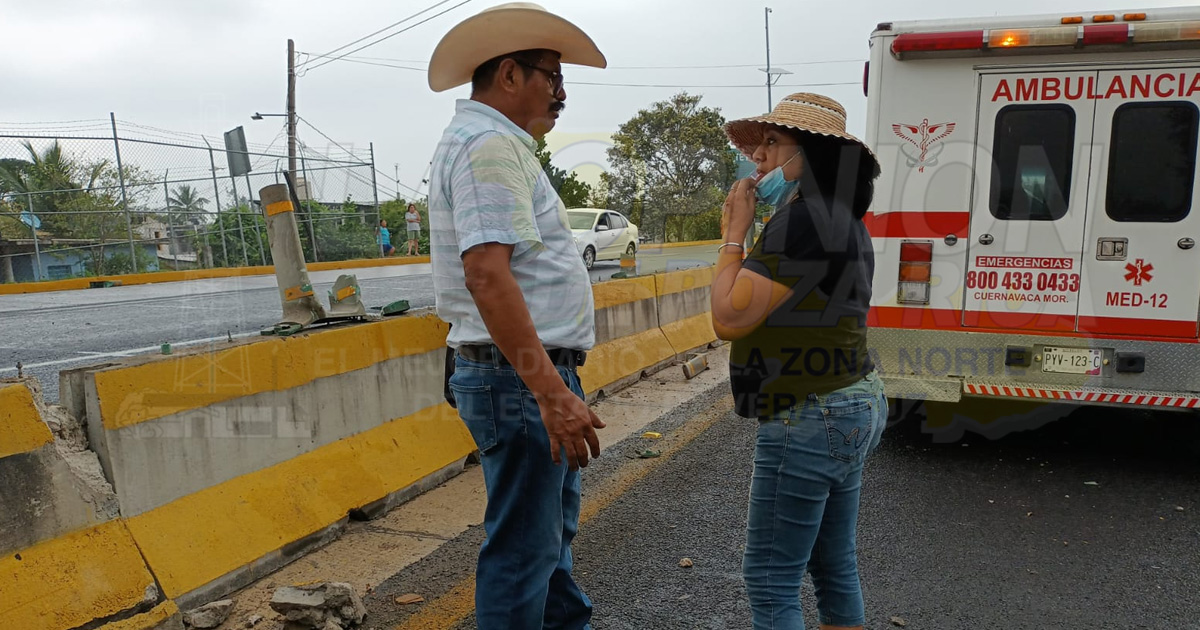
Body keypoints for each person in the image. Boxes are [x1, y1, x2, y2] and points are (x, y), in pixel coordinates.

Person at [426, 4, 607, 629]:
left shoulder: (495, 144)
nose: (561, 92)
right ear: (509, 74)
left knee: (544, 544)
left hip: (520, 378)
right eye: (550, 75)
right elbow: (487, 273)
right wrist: (552, 393)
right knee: (525, 551)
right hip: (520, 381)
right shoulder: (489, 147)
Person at [710, 93, 887, 630]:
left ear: (808, 154)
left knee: (770, 579)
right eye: (757, 142)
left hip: (809, 411)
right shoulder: (841, 217)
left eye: (771, 142)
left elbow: (729, 318)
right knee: (834, 565)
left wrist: (732, 238)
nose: (757, 155)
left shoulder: (803, 220)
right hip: (854, 398)